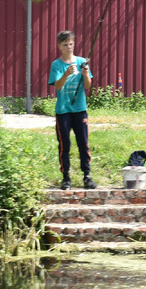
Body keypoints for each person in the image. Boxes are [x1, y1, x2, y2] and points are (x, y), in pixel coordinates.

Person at [49, 30, 98, 190]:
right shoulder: (56, 65)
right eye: (65, 45)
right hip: (63, 111)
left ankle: (87, 176)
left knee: (83, 143)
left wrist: (85, 75)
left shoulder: (82, 61)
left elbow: (87, 85)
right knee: (65, 145)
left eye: (71, 44)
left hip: (80, 109)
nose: (69, 47)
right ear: (59, 46)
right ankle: (66, 177)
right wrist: (66, 73)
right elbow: (57, 85)